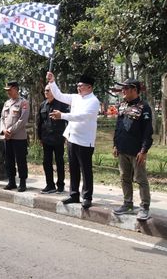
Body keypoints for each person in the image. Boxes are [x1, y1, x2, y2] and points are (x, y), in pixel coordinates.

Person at [47, 71, 100, 209]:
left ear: (89, 87)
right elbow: (59, 95)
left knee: (85, 170)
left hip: (85, 140)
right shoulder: (76, 97)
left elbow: (82, 116)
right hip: (72, 138)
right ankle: (74, 194)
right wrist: (52, 81)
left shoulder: (94, 101)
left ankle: (87, 196)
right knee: (73, 168)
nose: (78, 88)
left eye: (81, 86)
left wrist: (62, 115)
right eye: (78, 85)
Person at [112, 78, 153, 221]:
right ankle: (128, 203)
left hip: (137, 152)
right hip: (122, 149)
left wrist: (144, 150)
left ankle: (144, 207)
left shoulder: (144, 107)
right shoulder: (122, 105)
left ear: (134, 90)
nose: (123, 91)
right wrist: (115, 144)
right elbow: (118, 127)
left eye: (126, 88)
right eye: (122, 88)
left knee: (140, 179)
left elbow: (148, 131)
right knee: (124, 178)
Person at [36, 84, 69, 194]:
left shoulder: (62, 105)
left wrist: (67, 135)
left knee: (59, 161)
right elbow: (39, 122)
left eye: (48, 90)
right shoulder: (42, 105)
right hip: (46, 139)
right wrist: (40, 137)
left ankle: (60, 185)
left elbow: (68, 120)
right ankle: (50, 185)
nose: (45, 92)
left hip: (58, 138)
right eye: (45, 90)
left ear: (54, 92)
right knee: (46, 162)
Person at [0, 81, 30, 192]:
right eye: (7, 90)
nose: (8, 92)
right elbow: (2, 118)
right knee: (8, 160)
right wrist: (3, 130)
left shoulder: (24, 102)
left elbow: (22, 120)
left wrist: (10, 130)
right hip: (7, 137)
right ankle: (11, 182)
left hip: (19, 138)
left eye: (10, 90)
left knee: (21, 160)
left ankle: (22, 183)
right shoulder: (6, 103)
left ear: (16, 89)